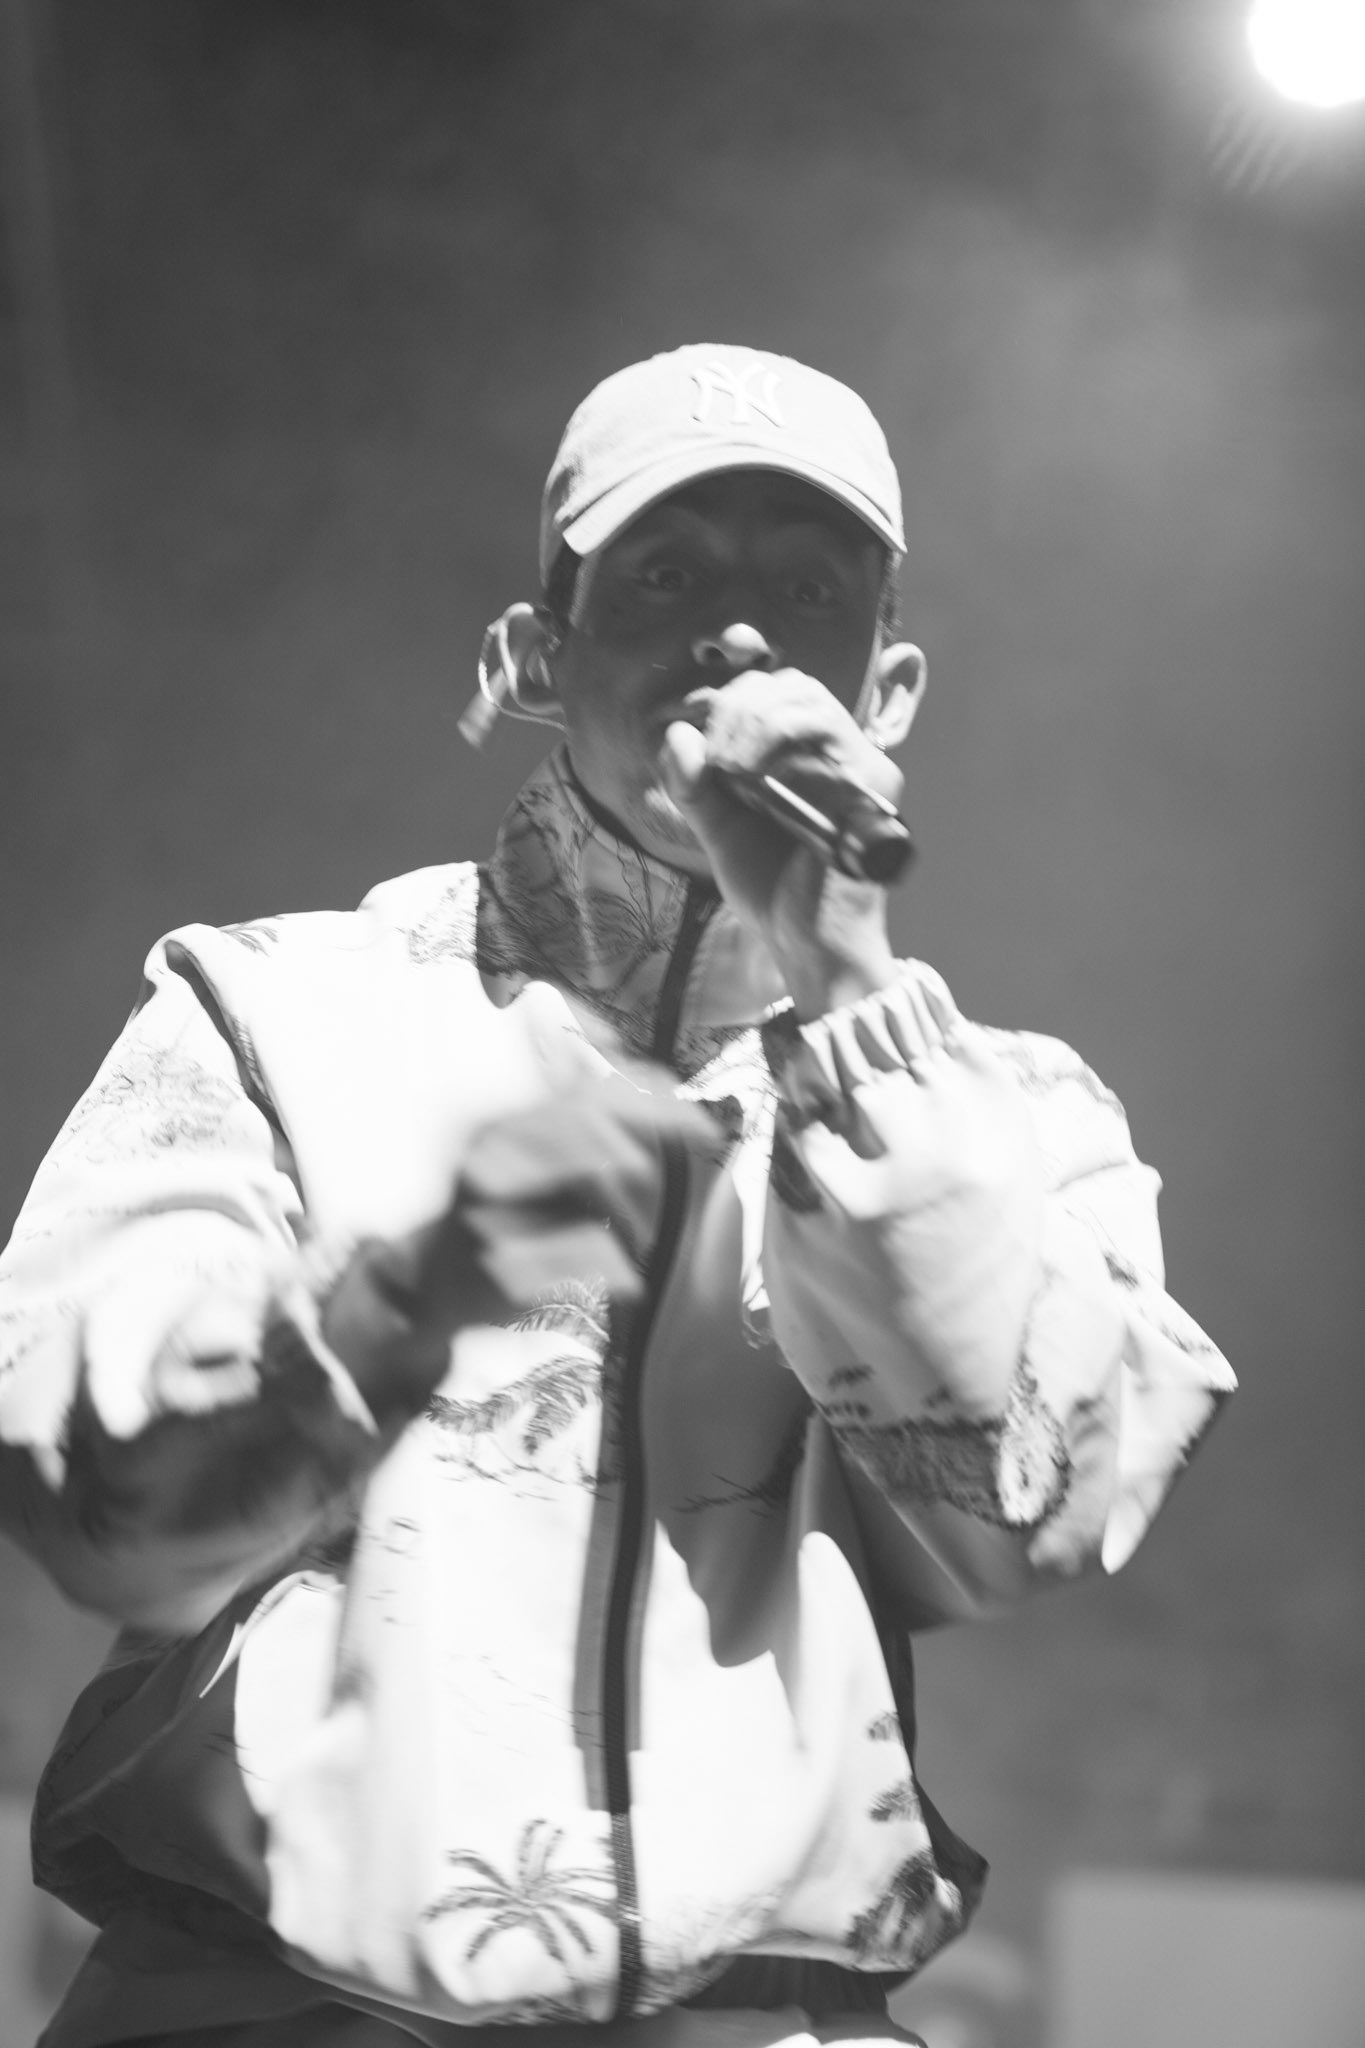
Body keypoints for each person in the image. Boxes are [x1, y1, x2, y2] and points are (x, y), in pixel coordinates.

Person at [0, 345, 1234, 2048]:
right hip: (263, 2001)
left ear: (885, 694)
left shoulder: (1004, 1114)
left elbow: (1020, 1517)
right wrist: (405, 1295)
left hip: (765, 2017)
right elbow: (92, 1503)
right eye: (663, 577)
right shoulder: (272, 1009)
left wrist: (841, 981)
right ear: (531, 658)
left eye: (807, 591)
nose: (739, 636)